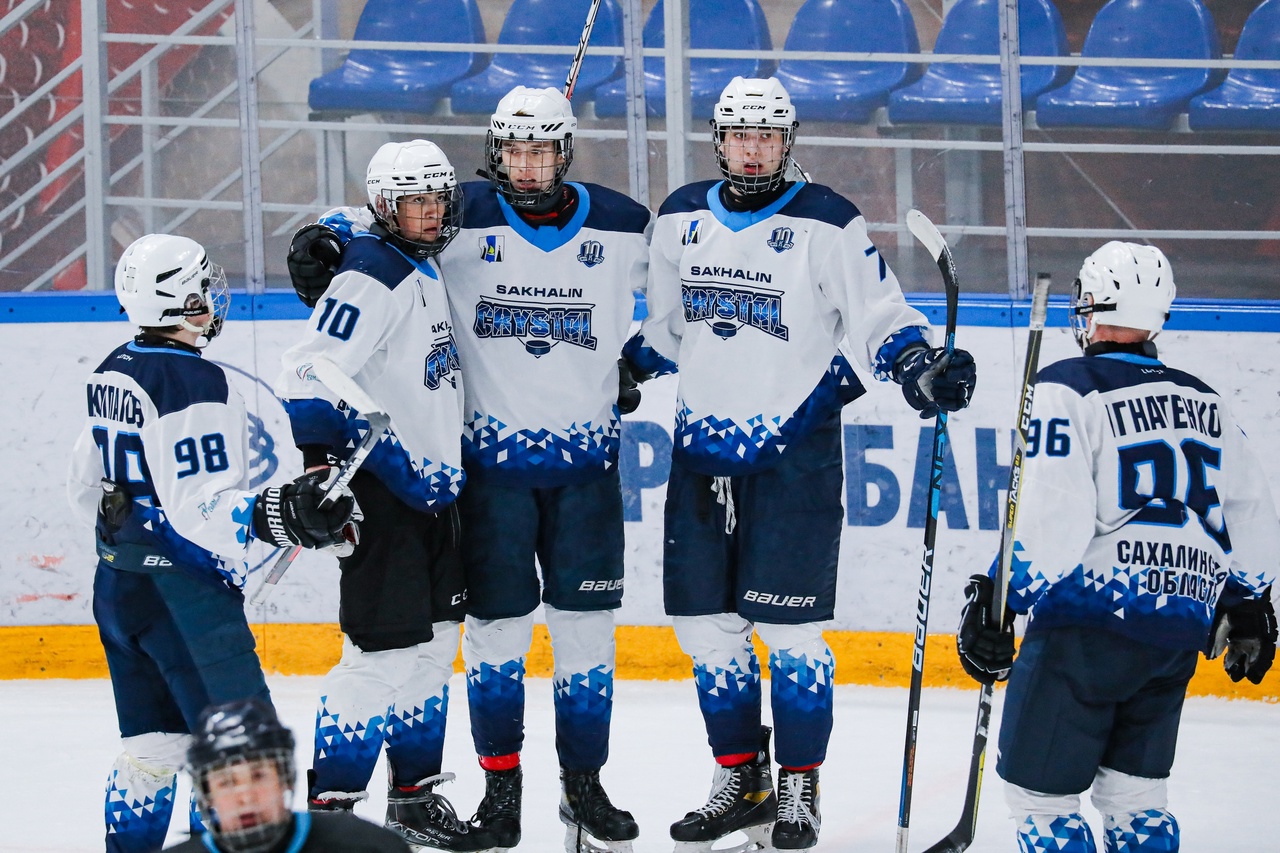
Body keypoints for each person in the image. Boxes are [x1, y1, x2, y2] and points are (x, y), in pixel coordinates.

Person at [287, 87, 652, 852]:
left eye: (541, 150)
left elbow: (701, 266)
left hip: (581, 475)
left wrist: (638, 358)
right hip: (484, 479)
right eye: (512, 152)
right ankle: (498, 792)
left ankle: (581, 787)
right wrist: (328, 229)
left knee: (579, 638)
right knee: (490, 639)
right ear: (493, 153)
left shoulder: (620, 223)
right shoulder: (453, 220)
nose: (526, 166)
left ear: (565, 148)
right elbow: (380, 218)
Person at [620, 76, 978, 851]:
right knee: (706, 631)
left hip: (794, 458)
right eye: (740, 136)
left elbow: (882, 314)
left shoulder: (827, 221)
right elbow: (664, 327)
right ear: (719, 139)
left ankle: (799, 786)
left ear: (789, 140)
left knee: (792, 636)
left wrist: (919, 364)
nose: (754, 149)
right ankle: (739, 778)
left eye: (768, 136)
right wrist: (622, 368)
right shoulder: (680, 215)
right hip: (700, 457)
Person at [956, 242, 1279, 852]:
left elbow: (1055, 515)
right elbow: (1252, 513)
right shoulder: (1205, 399)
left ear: (1091, 304)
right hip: (1176, 633)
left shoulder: (1067, 387)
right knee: (1136, 800)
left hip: (1086, 629)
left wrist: (1002, 594)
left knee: (1040, 802)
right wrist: (1248, 604)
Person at [67, 234, 357, 853]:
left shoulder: (112, 368)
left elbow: (83, 485)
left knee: (153, 750)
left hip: (119, 587)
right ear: (181, 299)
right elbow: (199, 509)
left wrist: (131, 545)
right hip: (187, 603)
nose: (212, 297)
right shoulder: (196, 383)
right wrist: (276, 512)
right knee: (238, 759)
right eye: (202, 285)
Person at [275, 140, 493, 852]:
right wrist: (319, 475)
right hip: (385, 493)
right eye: (412, 203)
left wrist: (332, 226)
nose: (429, 215)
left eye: (436, 201)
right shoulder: (371, 273)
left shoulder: (414, 258)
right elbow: (307, 370)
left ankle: (414, 797)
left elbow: (350, 221)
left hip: (436, 493)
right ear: (385, 208)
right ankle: (332, 807)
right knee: (376, 657)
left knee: (431, 651)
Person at [168, 698, 411, 853]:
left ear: (284, 779)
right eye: (226, 782)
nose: (245, 797)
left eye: (258, 775)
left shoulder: (366, 847)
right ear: (207, 794)